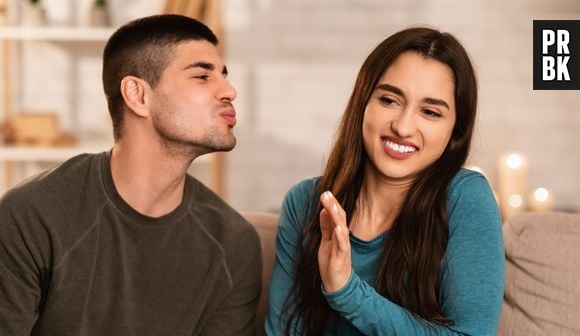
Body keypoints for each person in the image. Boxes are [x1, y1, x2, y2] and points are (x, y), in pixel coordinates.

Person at [0, 14, 262, 335]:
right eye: (202, 76)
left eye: (224, 75)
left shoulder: (233, 243)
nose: (229, 91)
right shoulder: (30, 216)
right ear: (138, 95)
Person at [266, 27, 504, 335]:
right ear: (363, 102)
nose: (403, 127)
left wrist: (347, 291)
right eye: (390, 100)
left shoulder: (465, 198)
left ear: (455, 131)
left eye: (430, 112)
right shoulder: (305, 202)